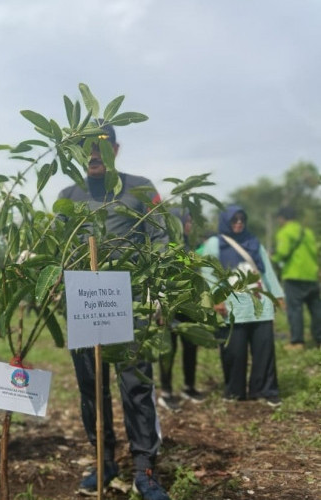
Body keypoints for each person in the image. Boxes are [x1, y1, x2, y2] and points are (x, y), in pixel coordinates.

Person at [57, 122, 171, 500]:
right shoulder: (67, 196)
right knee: (91, 388)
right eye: (86, 147)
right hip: (83, 308)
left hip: (131, 304)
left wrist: (156, 289)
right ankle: (103, 459)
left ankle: (145, 466)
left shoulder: (140, 188)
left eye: (100, 146)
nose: (92, 154)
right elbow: (56, 251)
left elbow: (159, 236)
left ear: (115, 151)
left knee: (137, 387)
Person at [199, 205, 285, 407]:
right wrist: (215, 299)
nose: (238, 223)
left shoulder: (253, 241)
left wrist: (278, 294)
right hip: (233, 307)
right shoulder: (215, 243)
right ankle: (234, 392)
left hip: (259, 303)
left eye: (241, 219)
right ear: (226, 221)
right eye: (234, 219)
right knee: (233, 353)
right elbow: (208, 272)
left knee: (264, 351)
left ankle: (265, 391)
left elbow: (267, 269)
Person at [157, 209, 204, 412]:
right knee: (168, 348)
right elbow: (158, 276)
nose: (190, 225)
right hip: (169, 305)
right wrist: (159, 308)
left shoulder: (192, 246)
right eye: (187, 221)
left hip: (189, 304)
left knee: (191, 344)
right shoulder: (165, 246)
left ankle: (189, 386)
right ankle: (166, 391)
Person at [271, 206, 321, 349]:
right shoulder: (308, 232)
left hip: (294, 276)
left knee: (295, 310)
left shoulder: (284, 232)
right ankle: (319, 339)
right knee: (316, 309)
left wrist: (273, 258)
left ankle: (297, 341)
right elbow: (315, 252)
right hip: (311, 275)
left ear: (282, 218)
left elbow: (282, 253)